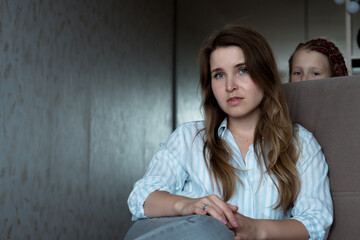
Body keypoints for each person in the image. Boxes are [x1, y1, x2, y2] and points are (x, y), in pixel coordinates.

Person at [125, 25, 333, 240]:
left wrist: (257, 230)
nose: (230, 86)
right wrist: (189, 205)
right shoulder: (188, 138)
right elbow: (141, 198)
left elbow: (316, 222)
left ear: (265, 75)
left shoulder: (300, 143)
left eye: (242, 70)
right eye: (219, 75)